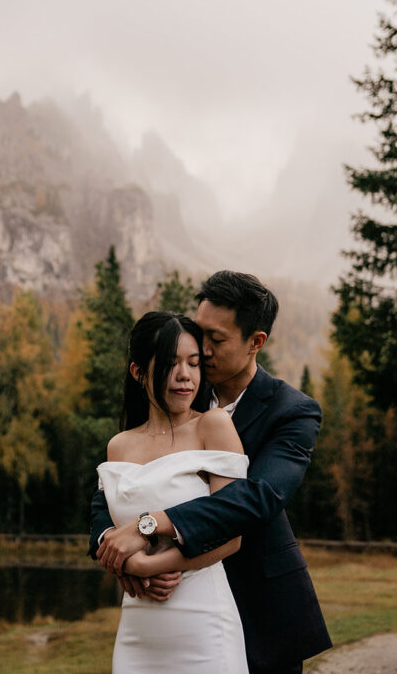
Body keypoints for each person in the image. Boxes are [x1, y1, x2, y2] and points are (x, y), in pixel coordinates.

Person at [90, 270, 332, 674]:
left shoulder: (291, 411)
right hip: (162, 603)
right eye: (198, 333)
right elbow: (111, 493)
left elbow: (257, 498)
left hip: (260, 602)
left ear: (256, 342)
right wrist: (119, 554)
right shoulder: (179, 388)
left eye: (215, 340)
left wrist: (149, 527)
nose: (199, 350)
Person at [98, 310, 250, 673]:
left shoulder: (213, 426)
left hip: (203, 625)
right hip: (138, 631)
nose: (185, 375)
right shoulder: (118, 446)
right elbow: (110, 531)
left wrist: (148, 565)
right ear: (138, 372)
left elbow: (231, 534)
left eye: (194, 363)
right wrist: (131, 567)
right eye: (171, 364)